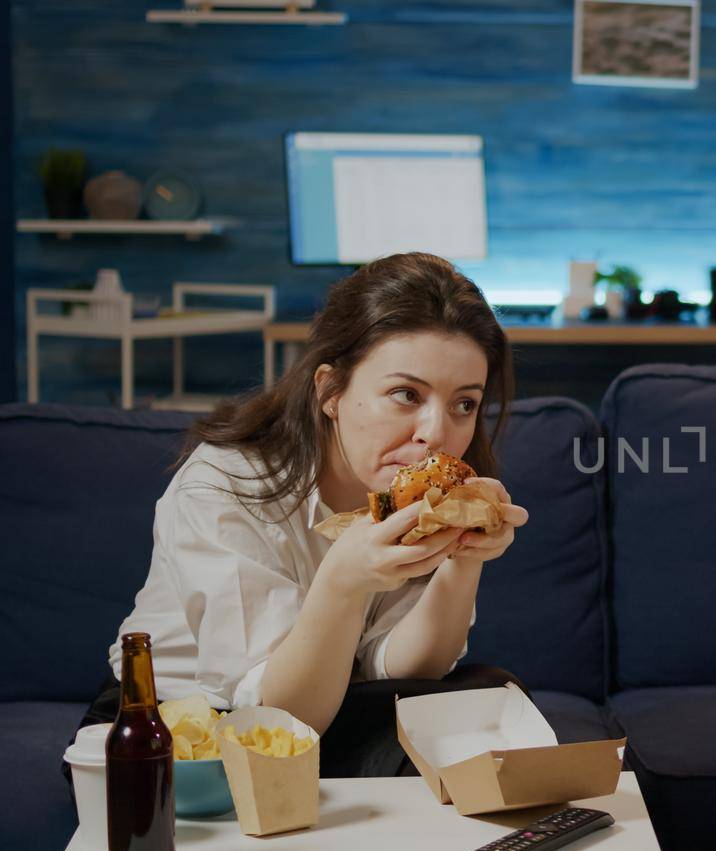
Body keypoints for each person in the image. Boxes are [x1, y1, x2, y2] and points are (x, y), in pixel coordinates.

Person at [76, 252, 530, 778]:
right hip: (182, 730)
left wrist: (463, 558)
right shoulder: (225, 484)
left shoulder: (416, 498)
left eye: (464, 404)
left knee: (491, 691)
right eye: (406, 394)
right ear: (330, 392)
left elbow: (407, 671)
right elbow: (281, 720)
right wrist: (343, 580)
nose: (436, 432)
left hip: (334, 708)